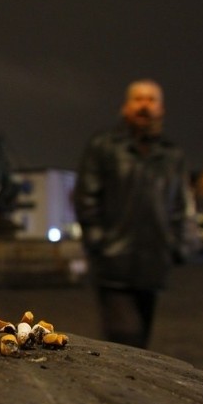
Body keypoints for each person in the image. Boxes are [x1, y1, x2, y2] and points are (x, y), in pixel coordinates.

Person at [73, 79, 191, 349]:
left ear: (161, 109)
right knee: (126, 336)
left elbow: (180, 203)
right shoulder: (104, 147)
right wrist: (98, 240)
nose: (145, 106)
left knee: (141, 339)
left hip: (154, 264)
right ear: (125, 107)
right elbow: (86, 196)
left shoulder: (172, 156)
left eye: (151, 100)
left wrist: (178, 244)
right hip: (114, 262)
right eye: (138, 99)